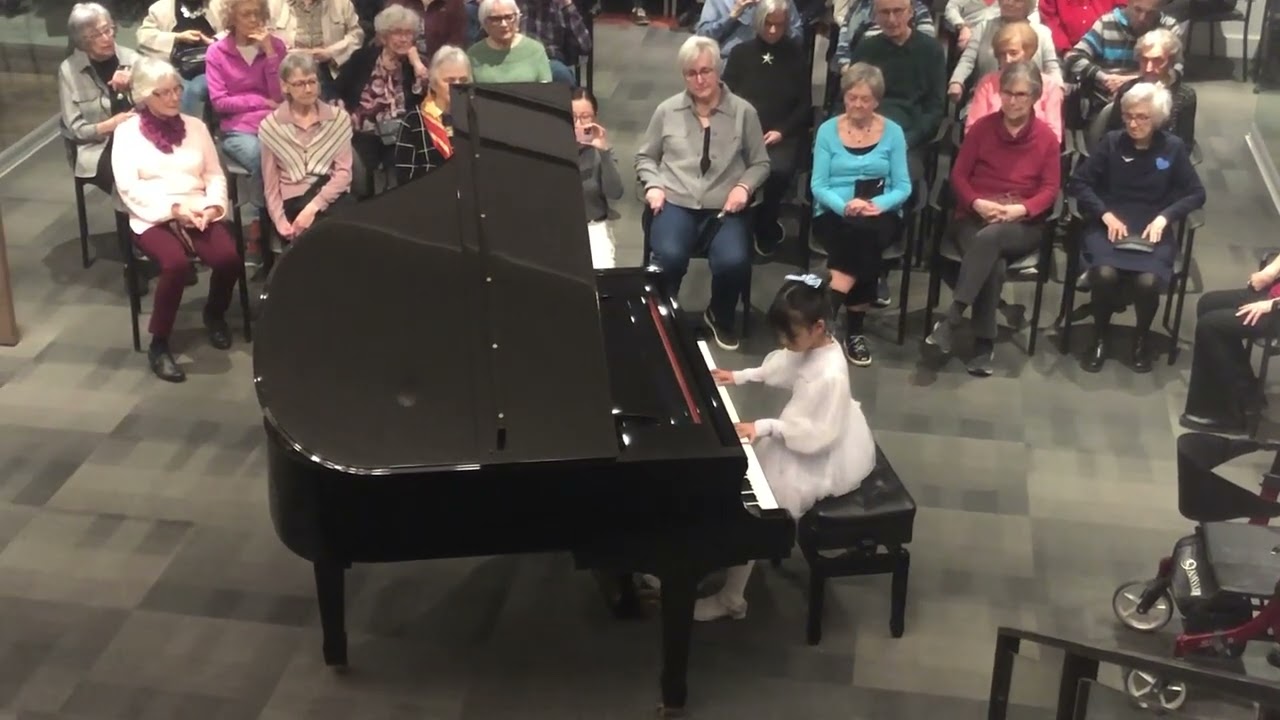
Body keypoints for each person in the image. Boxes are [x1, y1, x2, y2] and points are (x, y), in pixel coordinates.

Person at [696, 273, 877, 622]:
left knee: (758, 507)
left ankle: (732, 597)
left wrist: (766, 427)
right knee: (746, 492)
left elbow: (818, 434)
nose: (783, 341)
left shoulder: (831, 376)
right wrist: (740, 376)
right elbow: (785, 363)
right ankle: (718, 554)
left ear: (818, 327)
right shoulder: (812, 344)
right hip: (801, 430)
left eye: (788, 335)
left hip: (816, 448)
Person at [634, 35, 771, 352]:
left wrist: (744, 187)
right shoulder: (667, 110)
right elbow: (645, 157)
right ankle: (664, 316)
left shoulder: (744, 112)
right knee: (669, 257)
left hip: (725, 207)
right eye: (691, 73)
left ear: (718, 70)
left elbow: (761, 162)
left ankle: (719, 314)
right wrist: (653, 185)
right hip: (676, 201)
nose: (699, 80)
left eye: (705, 71)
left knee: (734, 261)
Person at [925, 62, 1060, 376]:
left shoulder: (1046, 139)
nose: (1013, 101)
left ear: (1034, 97)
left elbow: (1050, 189)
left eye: (1021, 95)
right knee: (993, 264)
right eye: (1007, 93)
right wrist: (977, 202)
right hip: (975, 216)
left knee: (992, 238)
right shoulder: (982, 129)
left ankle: (953, 318)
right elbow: (958, 176)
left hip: (1021, 223)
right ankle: (984, 342)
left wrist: (1020, 210)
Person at [113, 57, 241, 383]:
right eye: (164, 92)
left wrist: (213, 207)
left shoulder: (195, 127)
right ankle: (159, 342)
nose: (174, 97)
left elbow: (214, 174)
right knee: (175, 265)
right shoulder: (126, 133)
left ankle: (214, 313)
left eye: (177, 90)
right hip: (151, 213)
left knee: (228, 258)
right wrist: (173, 210)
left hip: (197, 207)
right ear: (145, 95)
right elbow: (128, 188)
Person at [1067, 82, 1205, 373]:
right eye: (1128, 116)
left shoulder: (1172, 148)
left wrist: (1166, 217)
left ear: (1157, 119)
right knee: (1104, 274)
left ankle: (1141, 339)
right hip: (1109, 224)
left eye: (1142, 117)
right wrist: (1104, 214)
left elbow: (1196, 193)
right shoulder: (1111, 142)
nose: (1133, 123)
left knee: (1148, 282)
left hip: (1152, 226)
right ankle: (1100, 335)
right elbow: (1079, 183)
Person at [810, 62, 911, 367]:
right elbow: (818, 185)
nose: (857, 104)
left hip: (880, 212)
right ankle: (854, 332)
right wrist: (845, 206)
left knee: (864, 233)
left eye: (865, 99)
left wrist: (876, 204)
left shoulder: (893, 133)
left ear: (877, 101)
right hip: (834, 211)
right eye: (851, 97)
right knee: (863, 243)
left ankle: (825, 313)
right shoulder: (828, 131)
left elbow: (903, 186)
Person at [722, 0, 811, 255]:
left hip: (781, 135)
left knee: (778, 172)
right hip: (742, 132)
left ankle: (766, 221)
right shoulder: (741, 53)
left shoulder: (796, 55)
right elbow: (725, 97)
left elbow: (804, 104)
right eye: (768, 24)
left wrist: (782, 131)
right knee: (733, 167)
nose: (773, 31)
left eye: (779, 25)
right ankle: (737, 223)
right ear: (758, 22)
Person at [206, 0, 287, 239]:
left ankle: (282, 218)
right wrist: (260, 101)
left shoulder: (276, 46)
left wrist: (270, 53)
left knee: (294, 155)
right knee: (264, 157)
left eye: (258, 14)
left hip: (276, 124)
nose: (253, 20)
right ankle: (265, 222)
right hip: (238, 129)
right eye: (246, 14)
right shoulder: (217, 52)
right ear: (232, 18)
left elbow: (280, 96)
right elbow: (220, 102)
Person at [259, 51, 354, 246]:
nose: (308, 89)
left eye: (312, 82)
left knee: (346, 233)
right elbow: (271, 183)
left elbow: (344, 174)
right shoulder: (270, 126)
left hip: (331, 194)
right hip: (293, 199)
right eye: (300, 84)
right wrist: (279, 221)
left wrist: (313, 208)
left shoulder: (338, 119)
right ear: (285, 86)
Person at [1179, 257, 1280, 434]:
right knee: (1208, 303)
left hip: (1276, 307)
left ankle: (1227, 415)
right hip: (1274, 296)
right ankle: (1245, 391)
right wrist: (1269, 272)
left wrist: (1272, 304)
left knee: (1211, 326)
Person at [846, 0, 945, 173]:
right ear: (875, 16)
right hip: (863, 131)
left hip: (909, 136)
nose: (891, 19)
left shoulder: (931, 50)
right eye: (884, 12)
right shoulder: (866, 48)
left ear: (910, 12)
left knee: (899, 174)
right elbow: (848, 97)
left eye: (898, 11)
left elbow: (935, 110)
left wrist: (908, 140)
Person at [335, 5, 424, 196]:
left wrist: (417, 64)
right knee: (361, 175)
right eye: (397, 33)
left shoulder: (416, 64)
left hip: (401, 135)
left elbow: (426, 96)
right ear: (384, 36)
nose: (403, 39)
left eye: (408, 33)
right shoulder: (363, 58)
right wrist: (340, 106)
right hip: (363, 132)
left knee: (398, 177)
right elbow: (337, 89)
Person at [59, 2, 141, 193]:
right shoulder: (69, 71)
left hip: (140, 138)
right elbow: (75, 129)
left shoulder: (131, 58)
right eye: (96, 35)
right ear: (82, 41)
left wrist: (135, 83)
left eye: (108, 30)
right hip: (99, 146)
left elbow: (159, 100)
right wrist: (110, 125)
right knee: (127, 178)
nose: (106, 38)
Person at [1064, 0, 1182, 112]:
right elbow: (1073, 58)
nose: (1142, 18)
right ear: (1128, 3)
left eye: (1150, 13)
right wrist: (1104, 77)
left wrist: (1130, 81)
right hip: (1106, 102)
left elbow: (1176, 71)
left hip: (1153, 103)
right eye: (1138, 10)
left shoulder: (1169, 27)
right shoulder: (1106, 23)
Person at [964, 21, 1063, 142]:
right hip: (990, 149)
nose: (1007, 59)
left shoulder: (1050, 86)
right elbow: (972, 129)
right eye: (1002, 54)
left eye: (1013, 53)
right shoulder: (987, 83)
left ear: (1029, 52)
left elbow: (1054, 136)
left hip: (1034, 150)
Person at [947, 0, 1059, 101]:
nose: (1009, 3)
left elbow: (1051, 67)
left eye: (1017, 1)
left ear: (1028, 5)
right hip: (985, 97)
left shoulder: (1042, 33)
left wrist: (1059, 88)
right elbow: (967, 60)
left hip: (1029, 100)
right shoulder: (983, 27)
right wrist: (956, 82)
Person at [1103, 28, 1196, 149]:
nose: (1148, 68)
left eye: (1157, 61)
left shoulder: (1185, 95)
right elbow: (1112, 134)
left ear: (1171, 61)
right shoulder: (1128, 89)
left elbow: (1184, 145)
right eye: (1144, 60)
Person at [394, 44, 470, 183]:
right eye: (450, 80)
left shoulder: (477, 115)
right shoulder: (414, 120)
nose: (457, 85)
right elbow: (404, 178)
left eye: (463, 80)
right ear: (433, 82)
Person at [137, 0, 221, 118]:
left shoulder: (220, 5)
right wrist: (176, 37)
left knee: (193, 89)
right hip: (174, 69)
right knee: (174, 88)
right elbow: (144, 37)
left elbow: (234, 32)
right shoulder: (160, 9)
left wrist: (214, 41)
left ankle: (188, 127)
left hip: (212, 68)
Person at [266, 0, 365, 99]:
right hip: (288, 68)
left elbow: (356, 36)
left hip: (328, 70)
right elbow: (267, 36)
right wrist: (289, 52)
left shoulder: (342, 4)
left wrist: (331, 52)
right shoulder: (274, 5)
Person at [571, 87, 624, 269]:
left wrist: (604, 152)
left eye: (585, 117)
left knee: (601, 275)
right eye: (573, 117)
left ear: (595, 118)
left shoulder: (600, 152)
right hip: (559, 226)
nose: (578, 124)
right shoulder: (552, 147)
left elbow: (615, 192)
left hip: (593, 226)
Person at [467, 0, 553, 83]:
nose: (504, 24)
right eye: (496, 19)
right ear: (484, 22)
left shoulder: (535, 50)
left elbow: (546, 88)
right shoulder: (474, 54)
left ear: (517, 18)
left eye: (509, 17)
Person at [516, 0, 592, 86]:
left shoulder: (559, 6)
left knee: (562, 75)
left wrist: (567, 5)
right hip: (516, 57)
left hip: (550, 59)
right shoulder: (514, 5)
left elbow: (585, 45)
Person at [694, 0, 802, 59]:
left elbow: (798, 38)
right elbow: (702, 38)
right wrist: (732, 16)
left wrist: (777, 20)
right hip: (730, 62)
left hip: (772, 59)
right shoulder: (720, 2)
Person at [385, 0, 468, 72]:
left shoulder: (454, 3)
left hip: (441, 67)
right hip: (400, 64)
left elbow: (456, 44)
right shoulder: (399, 2)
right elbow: (385, 32)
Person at [1037, 0, 1120, 54]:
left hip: (1108, 51)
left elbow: (1121, 11)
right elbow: (1049, 19)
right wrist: (1066, 50)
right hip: (1065, 55)